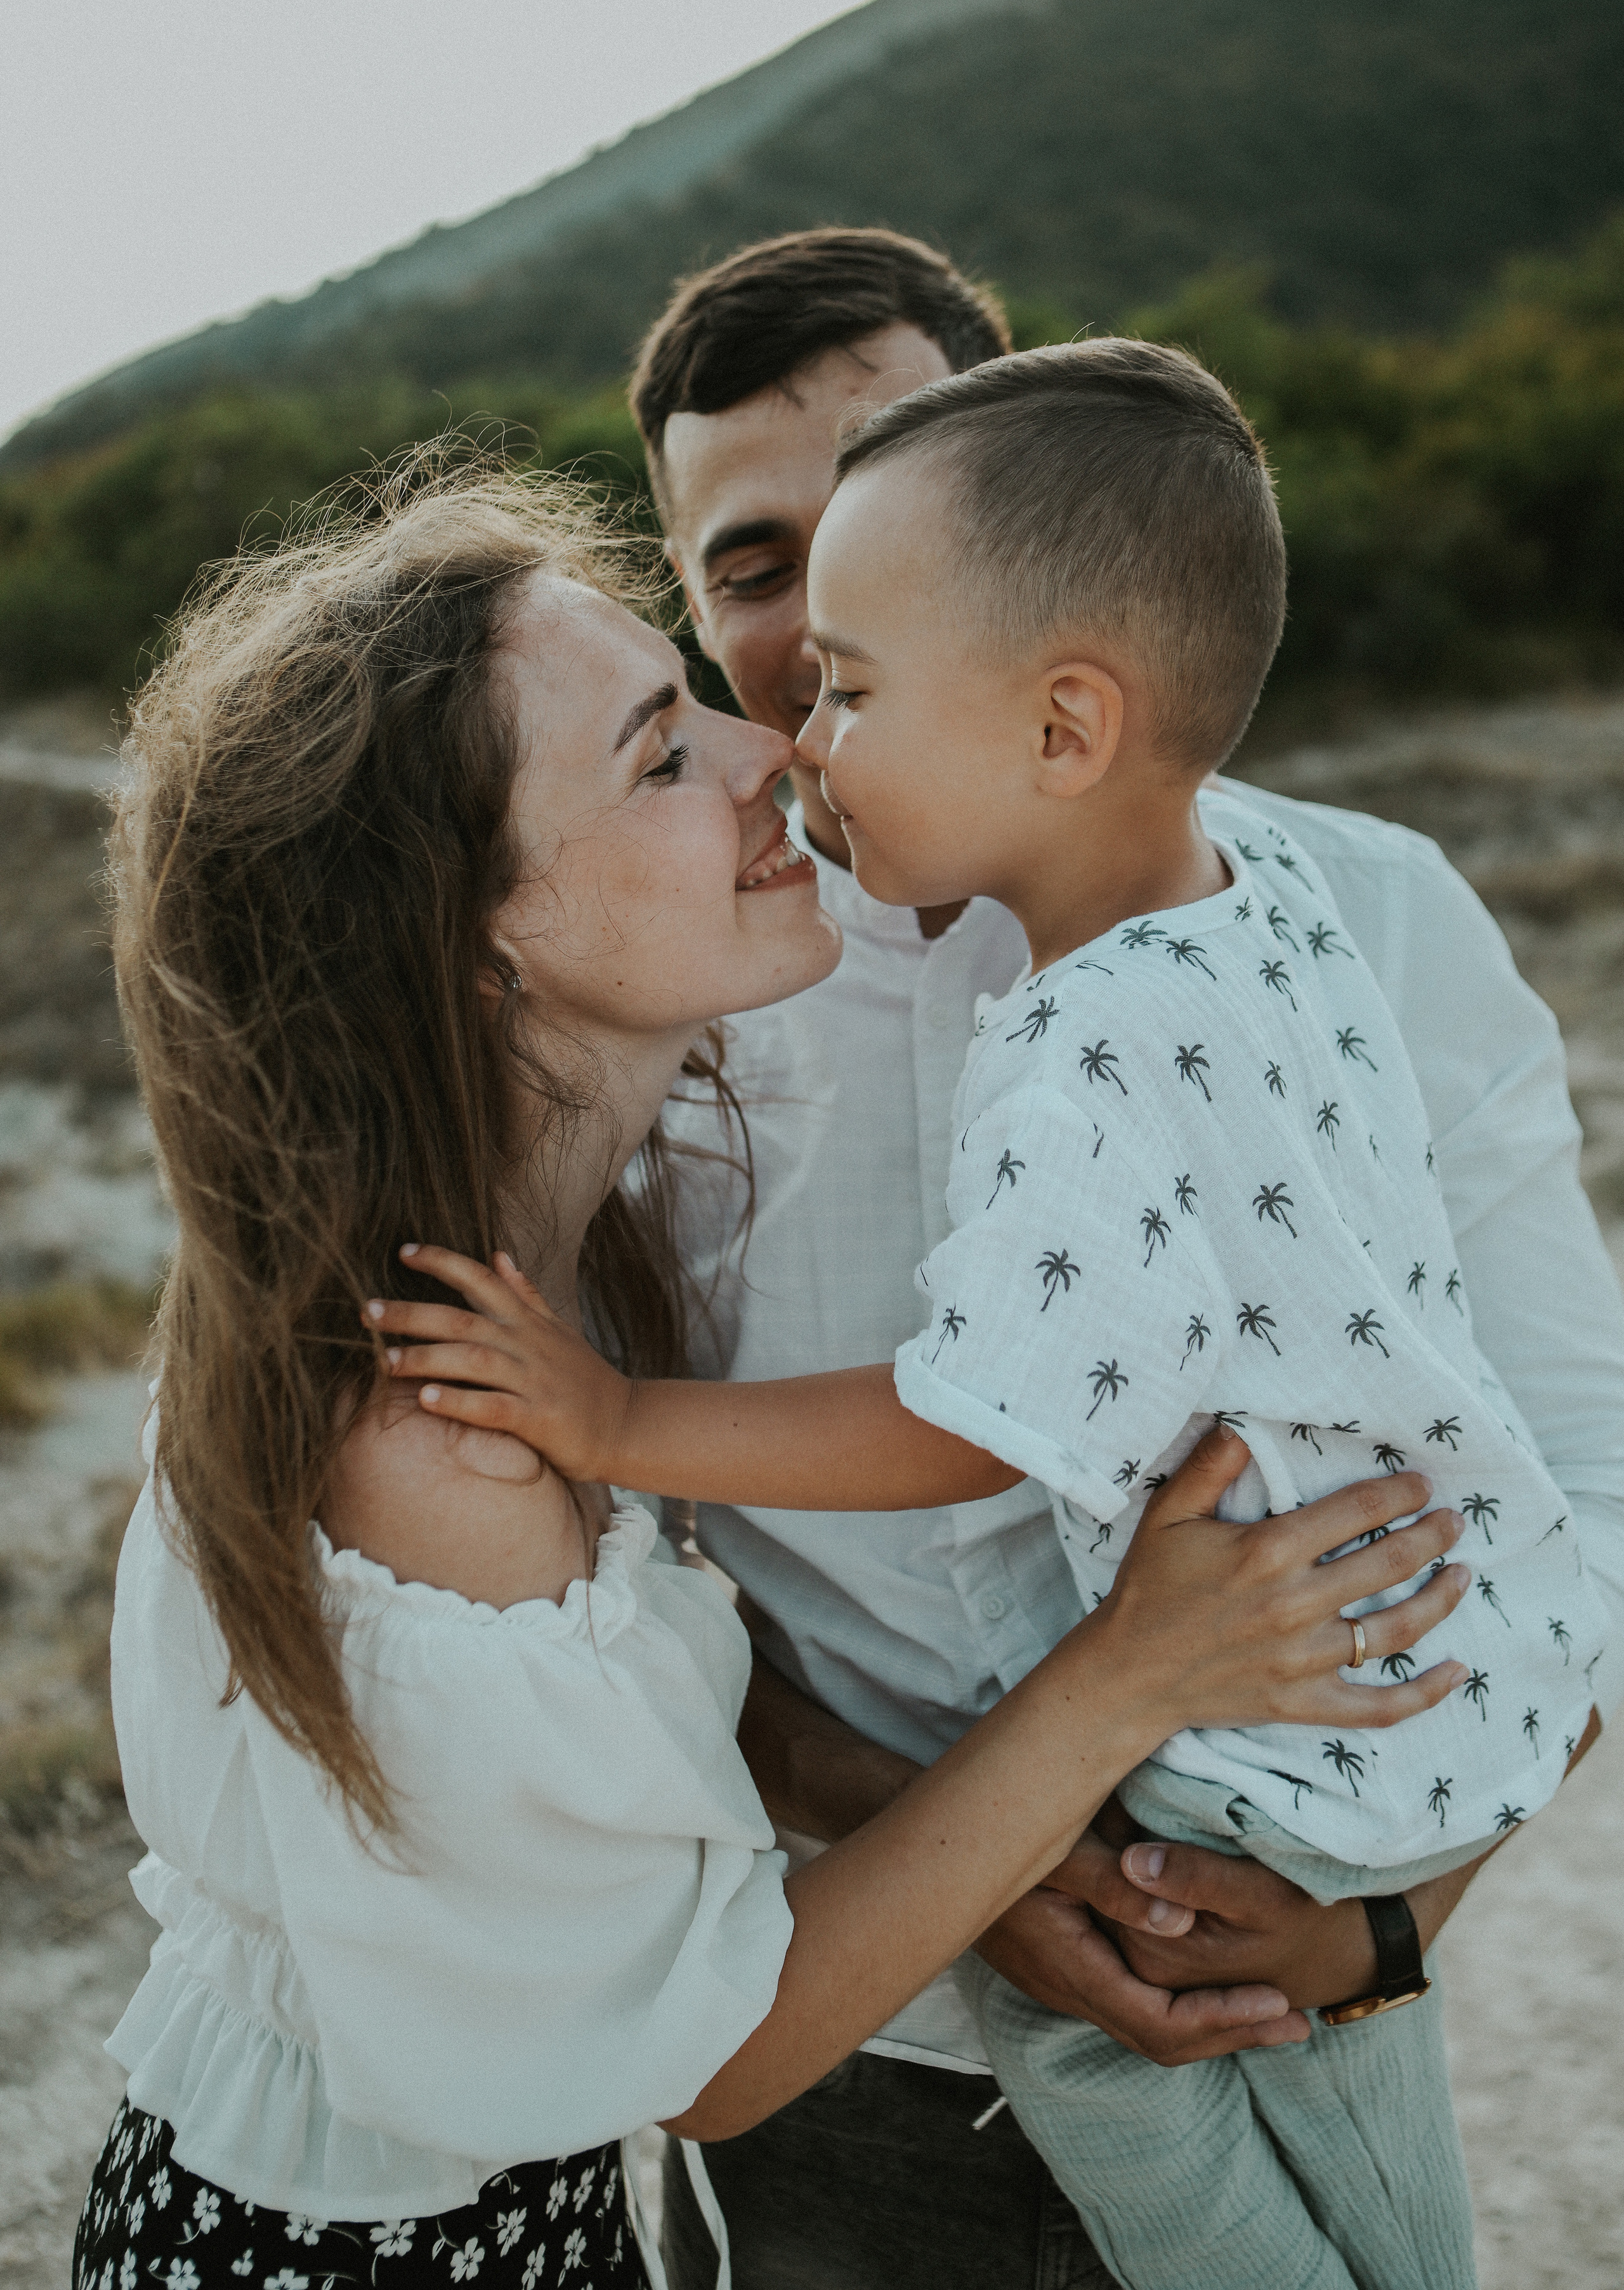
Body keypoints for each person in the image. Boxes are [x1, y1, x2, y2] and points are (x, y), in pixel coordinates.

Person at [74, 460, 1467, 2290]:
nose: (764, 753)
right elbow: (717, 2063)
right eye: (659, 754)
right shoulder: (440, 1436)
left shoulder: (527, 1263)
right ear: (469, 936)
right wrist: (1132, 1672)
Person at [381, 341, 1609, 2290]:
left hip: (1284, 1820)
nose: (800, 700)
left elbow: (998, 1414)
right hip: (864, 2027)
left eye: (864, 655)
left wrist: (1391, 1926)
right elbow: (620, 1616)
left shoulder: (1280, 942)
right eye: (755, 574)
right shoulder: (684, 977)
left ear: (1063, 690)